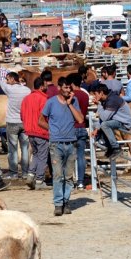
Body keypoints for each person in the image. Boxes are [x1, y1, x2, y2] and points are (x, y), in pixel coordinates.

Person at [38, 76, 85, 216]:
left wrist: (70, 104)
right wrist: (51, 129)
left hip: (71, 142)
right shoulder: (51, 102)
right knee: (58, 174)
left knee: (69, 176)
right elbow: (41, 120)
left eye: (69, 88)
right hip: (56, 143)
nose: (67, 90)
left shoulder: (73, 102)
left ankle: (66, 202)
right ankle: (58, 203)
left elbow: (81, 119)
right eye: (65, 88)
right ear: (59, 88)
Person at [0, 71, 31, 179]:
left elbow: (1, 82)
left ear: (12, 79)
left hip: (12, 121)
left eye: (9, 79)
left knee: (12, 149)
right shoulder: (27, 90)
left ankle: (13, 173)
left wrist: (5, 77)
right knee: (25, 148)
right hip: (24, 122)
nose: (8, 81)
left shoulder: (9, 89)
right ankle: (25, 172)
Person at [21, 77, 50, 190]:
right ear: (42, 86)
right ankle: (39, 181)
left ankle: (30, 175)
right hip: (41, 131)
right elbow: (46, 117)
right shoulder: (44, 99)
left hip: (29, 131)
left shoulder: (26, 99)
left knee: (36, 155)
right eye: (46, 84)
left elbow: (22, 115)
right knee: (42, 157)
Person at [91, 84, 131, 160]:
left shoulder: (112, 100)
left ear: (101, 93)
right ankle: (110, 148)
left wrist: (99, 105)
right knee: (97, 125)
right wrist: (97, 129)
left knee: (104, 125)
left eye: (95, 94)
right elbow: (104, 117)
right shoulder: (108, 99)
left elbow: (104, 118)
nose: (94, 96)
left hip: (124, 122)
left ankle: (116, 147)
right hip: (119, 120)